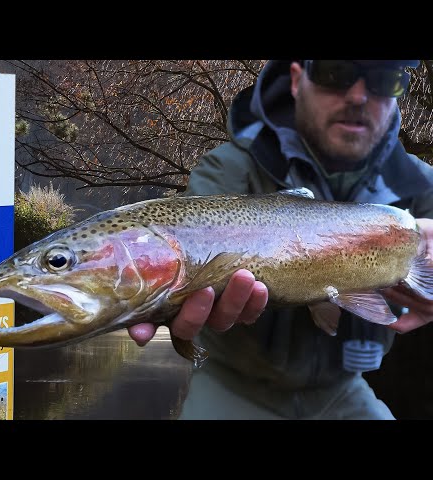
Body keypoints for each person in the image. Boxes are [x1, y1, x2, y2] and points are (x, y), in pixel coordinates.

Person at [128, 60, 433, 419]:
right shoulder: (227, 169)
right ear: (295, 79)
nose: (358, 95)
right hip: (234, 386)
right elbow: (185, 256)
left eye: (384, 80)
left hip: (344, 389)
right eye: (335, 73)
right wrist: (159, 297)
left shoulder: (418, 182)